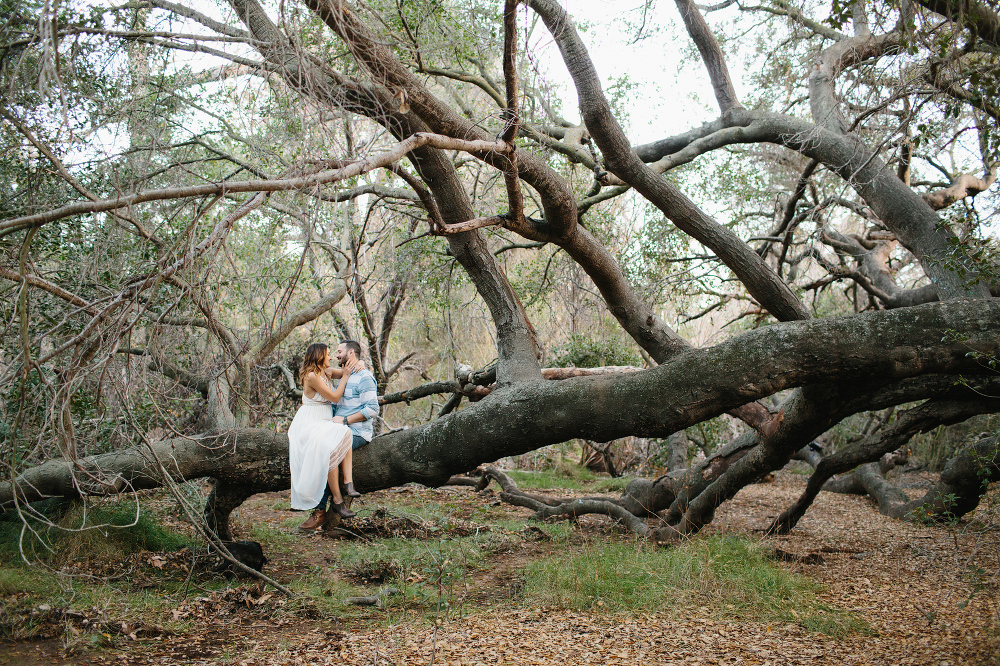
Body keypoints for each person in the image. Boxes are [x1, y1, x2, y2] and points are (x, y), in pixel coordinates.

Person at [288, 343, 359, 530]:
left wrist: (358, 365)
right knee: (329, 446)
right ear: (319, 356)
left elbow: (345, 370)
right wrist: (345, 376)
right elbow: (335, 397)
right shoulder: (312, 376)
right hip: (310, 422)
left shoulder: (325, 370)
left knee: (344, 433)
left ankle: (348, 483)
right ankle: (336, 498)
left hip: (324, 420)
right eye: (328, 355)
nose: (331, 358)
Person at [314, 339, 380, 510]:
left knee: (331, 451)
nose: (336, 355)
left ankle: (322, 509)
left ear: (351, 353)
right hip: (338, 428)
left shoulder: (364, 377)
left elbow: (373, 409)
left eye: (339, 352)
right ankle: (326, 506)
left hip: (357, 432)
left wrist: (345, 420)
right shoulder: (345, 373)